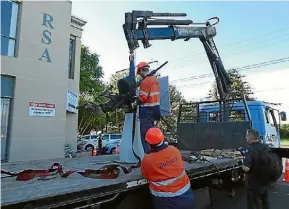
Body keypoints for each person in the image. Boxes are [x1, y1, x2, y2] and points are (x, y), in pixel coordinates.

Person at [141, 127, 195, 209]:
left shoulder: (147, 160)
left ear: (148, 143)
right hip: (187, 197)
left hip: (166, 201)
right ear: (162, 138)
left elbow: (145, 176)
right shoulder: (174, 150)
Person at [132, 61, 161, 154]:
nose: (140, 75)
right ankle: (157, 156)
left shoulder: (145, 82)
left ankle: (149, 158)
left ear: (141, 70)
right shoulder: (155, 80)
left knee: (146, 137)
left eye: (139, 73)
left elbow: (142, 98)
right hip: (155, 110)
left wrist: (134, 104)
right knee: (154, 135)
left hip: (146, 111)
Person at [242, 129, 271, 209]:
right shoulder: (265, 147)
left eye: (246, 135)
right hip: (264, 181)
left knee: (254, 204)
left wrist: (241, 164)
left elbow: (246, 168)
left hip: (253, 182)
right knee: (265, 202)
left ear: (249, 137)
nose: (245, 137)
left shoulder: (249, 149)